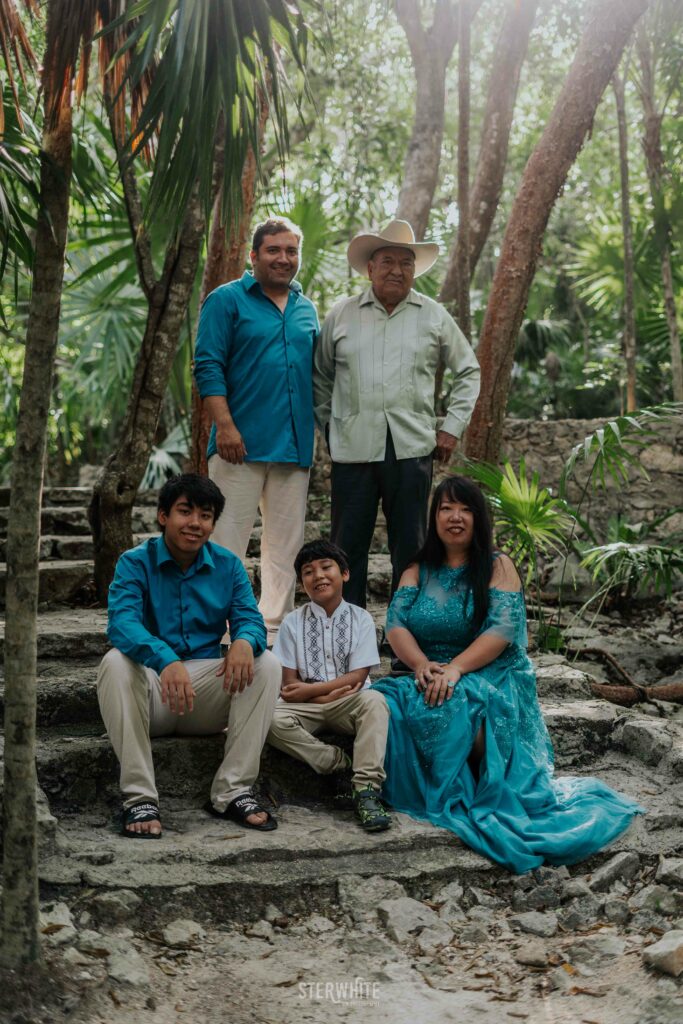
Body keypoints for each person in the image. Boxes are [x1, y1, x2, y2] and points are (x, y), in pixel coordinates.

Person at [371, 476, 643, 873]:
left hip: (489, 671)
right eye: (446, 508)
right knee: (391, 702)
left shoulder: (498, 565)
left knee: (456, 700)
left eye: (465, 509)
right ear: (434, 517)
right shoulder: (417, 567)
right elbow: (396, 624)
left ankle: (485, 776)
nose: (455, 517)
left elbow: (500, 632)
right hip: (427, 668)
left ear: (479, 518)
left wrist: (456, 669)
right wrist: (420, 665)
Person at [97, 474, 281, 838]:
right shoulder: (134, 563)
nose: (195, 523)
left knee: (267, 664)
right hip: (151, 693)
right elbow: (122, 624)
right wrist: (166, 659)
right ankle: (139, 799)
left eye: (206, 515)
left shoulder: (227, 566)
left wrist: (244, 640)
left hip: (204, 697)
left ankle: (232, 791)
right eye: (185, 512)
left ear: (213, 524)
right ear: (163, 516)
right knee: (115, 662)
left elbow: (250, 620)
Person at [313, 218, 480, 609]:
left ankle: (407, 638)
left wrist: (452, 427)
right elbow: (320, 376)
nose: (396, 270)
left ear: (414, 270)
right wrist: (328, 427)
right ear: (370, 268)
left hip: (412, 450)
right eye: (387, 261)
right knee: (345, 547)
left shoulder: (433, 314)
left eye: (406, 263)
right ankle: (347, 640)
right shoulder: (342, 314)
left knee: (412, 547)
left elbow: (469, 370)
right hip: (352, 450)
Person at [194, 217, 319, 643]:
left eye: (291, 251)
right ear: (254, 255)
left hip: (294, 448)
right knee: (226, 543)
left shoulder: (307, 309)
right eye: (274, 250)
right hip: (238, 447)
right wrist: (225, 426)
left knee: (285, 551)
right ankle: (221, 634)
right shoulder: (226, 300)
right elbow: (207, 364)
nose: (283, 259)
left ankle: (272, 633)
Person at [266, 540, 391, 831]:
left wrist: (310, 691)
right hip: (306, 708)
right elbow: (288, 686)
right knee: (270, 720)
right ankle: (337, 763)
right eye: (308, 572)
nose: (318, 576)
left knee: (375, 703)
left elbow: (357, 679)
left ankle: (366, 790)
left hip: (349, 703)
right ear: (302, 584)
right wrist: (320, 698)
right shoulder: (291, 623)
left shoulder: (361, 619)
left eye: (326, 567)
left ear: (345, 574)